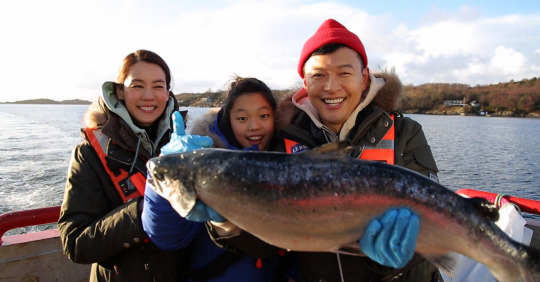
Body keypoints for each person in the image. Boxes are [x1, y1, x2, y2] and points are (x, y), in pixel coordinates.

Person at [271, 19, 441, 281]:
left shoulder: (405, 133)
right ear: (305, 83)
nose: (331, 87)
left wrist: (394, 261)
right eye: (318, 75)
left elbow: (437, 221)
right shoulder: (285, 140)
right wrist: (223, 222)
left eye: (344, 73)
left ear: (364, 79)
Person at [142, 76, 298, 282]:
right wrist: (165, 174)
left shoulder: (291, 162)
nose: (254, 126)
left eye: (264, 115)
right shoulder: (206, 165)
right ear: (228, 120)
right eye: (242, 118)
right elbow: (167, 237)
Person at [58, 49, 194, 281]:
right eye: (137, 86)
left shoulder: (183, 148)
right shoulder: (89, 154)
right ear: (119, 91)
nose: (149, 96)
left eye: (158, 86)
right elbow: (75, 242)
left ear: (168, 93)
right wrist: (143, 211)